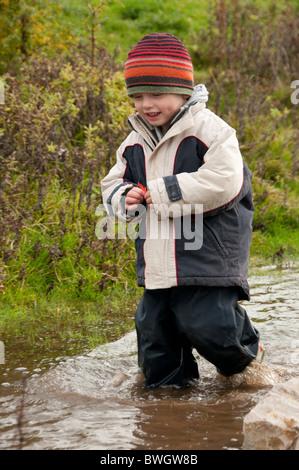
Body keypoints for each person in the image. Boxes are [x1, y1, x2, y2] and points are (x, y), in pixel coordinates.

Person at [101, 33, 262, 389]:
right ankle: (168, 400)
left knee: (206, 321)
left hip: (207, 254)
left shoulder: (211, 132)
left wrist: (158, 192)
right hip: (158, 258)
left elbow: (224, 182)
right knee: (154, 332)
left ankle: (247, 361)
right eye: (138, 95)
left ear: (183, 90)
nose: (146, 104)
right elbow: (111, 183)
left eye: (156, 94)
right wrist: (123, 197)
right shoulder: (134, 141)